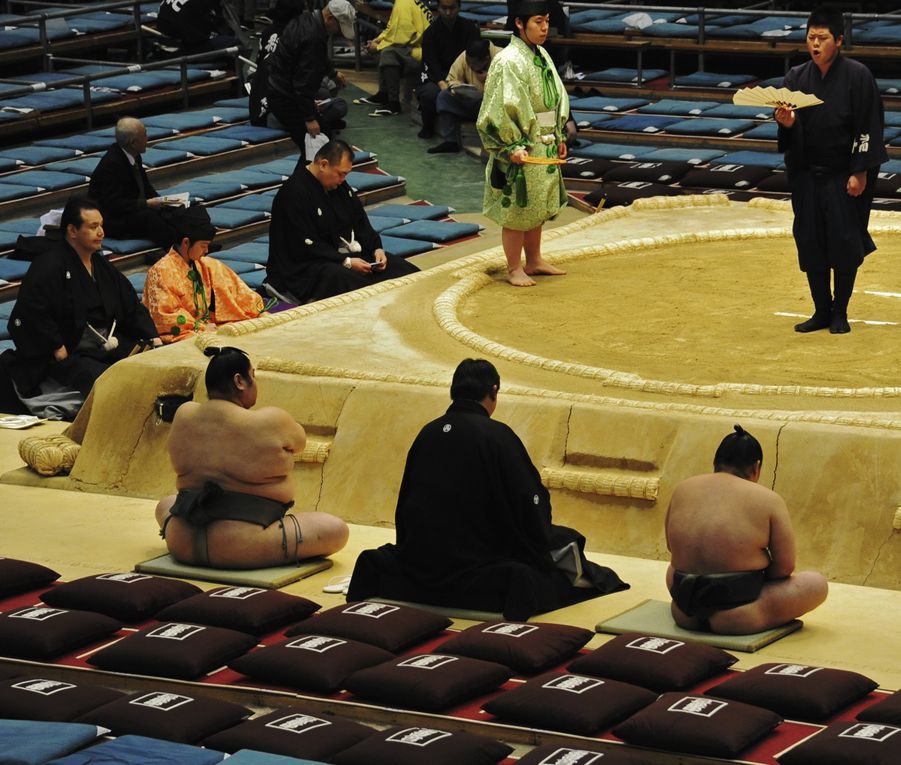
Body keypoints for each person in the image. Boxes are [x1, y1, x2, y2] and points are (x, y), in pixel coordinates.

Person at [348, 359, 629, 620]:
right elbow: (529, 504)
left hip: (421, 560)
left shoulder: (428, 432)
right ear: (493, 391)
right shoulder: (498, 436)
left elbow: (408, 504)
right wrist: (539, 542)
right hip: (476, 562)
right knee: (565, 543)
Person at [156, 346, 349, 568]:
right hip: (243, 546)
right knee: (336, 530)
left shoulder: (184, 414)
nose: (256, 383)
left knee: (166, 504)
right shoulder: (270, 420)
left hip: (183, 542)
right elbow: (299, 443)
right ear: (240, 381)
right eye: (253, 376)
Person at [775, 5, 887, 335]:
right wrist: (789, 122)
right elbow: (790, 128)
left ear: (838, 40)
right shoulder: (795, 77)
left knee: (844, 241)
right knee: (811, 241)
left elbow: (868, 126)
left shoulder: (858, 76)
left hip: (844, 175)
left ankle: (840, 310)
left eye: (822, 38)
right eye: (811, 38)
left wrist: (861, 172)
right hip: (808, 173)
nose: (815, 44)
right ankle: (821, 310)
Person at [665, 425, 828, 634]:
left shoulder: (683, 488)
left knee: (672, 571)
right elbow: (785, 567)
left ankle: (700, 609)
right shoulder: (768, 499)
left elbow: (672, 548)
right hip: (738, 615)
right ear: (756, 467)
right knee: (816, 584)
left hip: (684, 610)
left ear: (715, 462)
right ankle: (744, 612)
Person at [6, 196, 161, 400]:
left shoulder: (101, 265)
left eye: (101, 226)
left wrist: (153, 336)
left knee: (154, 366)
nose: (101, 232)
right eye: (93, 226)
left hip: (106, 344)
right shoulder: (49, 266)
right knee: (112, 383)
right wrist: (56, 347)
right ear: (72, 231)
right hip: (70, 352)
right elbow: (30, 312)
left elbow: (129, 302)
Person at [476, 0, 569, 287]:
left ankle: (535, 260)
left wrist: (559, 133)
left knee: (538, 206)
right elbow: (497, 108)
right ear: (519, 23)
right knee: (518, 209)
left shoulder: (541, 54)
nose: (544, 28)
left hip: (545, 140)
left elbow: (554, 97)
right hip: (520, 145)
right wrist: (510, 145)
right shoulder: (506, 61)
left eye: (547, 21)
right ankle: (514, 267)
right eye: (538, 21)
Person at [266, 139, 419, 303]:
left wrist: (376, 248)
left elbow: (359, 220)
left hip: (343, 255)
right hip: (305, 266)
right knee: (352, 284)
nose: (342, 179)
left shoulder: (339, 186)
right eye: (341, 173)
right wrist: (344, 261)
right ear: (323, 165)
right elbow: (303, 245)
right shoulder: (293, 194)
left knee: (400, 268)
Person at [142, 206, 266, 343]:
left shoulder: (206, 265)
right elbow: (167, 318)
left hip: (207, 326)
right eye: (203, 245)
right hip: (183, 334)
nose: (206, 250)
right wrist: (201, 328)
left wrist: (259, 311)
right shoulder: (161, 272)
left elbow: (237, 291)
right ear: (186, 242)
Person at [265, 0, 356, 156]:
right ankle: (308, 178)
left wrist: (332, 73)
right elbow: (303, 84)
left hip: (281, 90)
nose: (338, 31)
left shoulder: (308, 19)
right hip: (285, 96)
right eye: (339, 26)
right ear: (330, 18)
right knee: (319, 147)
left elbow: (318, 58)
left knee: (318, 144)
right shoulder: (312, 37)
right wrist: (309, 118)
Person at [87, 117, 181, 250]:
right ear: (133, 142)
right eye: (144, 135)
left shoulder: (134, 154)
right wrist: (146, 203)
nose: (147, 138)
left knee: (174, 209)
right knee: (149, 217)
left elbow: (146, 186)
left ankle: (196, 243)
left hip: (131, 209)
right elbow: (112, 204)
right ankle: (179, 250)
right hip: (112, 219)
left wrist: (164, 201)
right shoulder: (112, 164)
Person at [414, 0, 479, 139]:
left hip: (464, 73)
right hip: (437, 75)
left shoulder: (470, 28)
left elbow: (474, 57)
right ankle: (428, 126)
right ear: (438, 8)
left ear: (459, 7)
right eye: (444, 8)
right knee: (430, 94)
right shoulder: (430, 32)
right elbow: (431, 63)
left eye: (452, 8)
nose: (448, 12)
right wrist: (442, 83)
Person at [359, 0, 431, 117]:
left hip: (423, 53)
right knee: (384, 50)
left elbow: (401, 39)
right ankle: (383, 94)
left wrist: (378, 47)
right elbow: (391, 28)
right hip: (416, 47)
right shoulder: (403, 2)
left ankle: (394, 104)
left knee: (388, 53)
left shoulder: (403, 4)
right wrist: (377, 40)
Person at [428, 39, 498, 154]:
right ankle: (450, 142)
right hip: (470, 101)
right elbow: (452, 78)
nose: (470, 66)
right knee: (444, 96)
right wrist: (458, 89)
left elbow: (508, 90)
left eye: (473, 64)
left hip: (490, 106)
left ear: (486, 59)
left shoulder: (502, 58)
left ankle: (490, 146)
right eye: (468, 63)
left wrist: (488, 78)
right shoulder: (465, 56)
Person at [156, 0, 240, 54]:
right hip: (177, 48)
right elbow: (197, 39)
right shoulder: (200, 3)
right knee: (235, 44)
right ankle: (238, 81)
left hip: (163, 41)